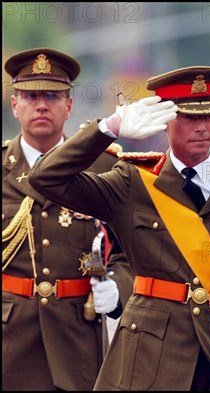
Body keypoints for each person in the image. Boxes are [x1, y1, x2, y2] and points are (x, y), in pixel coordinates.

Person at [29, 65, 210, 391]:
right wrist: (109, 128)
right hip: (148, 360)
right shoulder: (132, 182)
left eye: (209, 116)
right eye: (189, 117)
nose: (202, 127)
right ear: (165, 121)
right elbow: (45, 178)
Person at [2, 47, 132, 390]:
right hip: (9, 345)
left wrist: (117, 289)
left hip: (78, 341)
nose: (41, 104)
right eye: (30, 96)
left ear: (69, 105)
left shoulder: (104, 167)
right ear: (14, 105)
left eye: (52, 95)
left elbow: (132, 252)